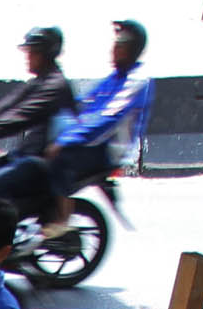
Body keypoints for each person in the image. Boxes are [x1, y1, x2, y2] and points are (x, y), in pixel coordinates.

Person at [0, 27, 78, 217]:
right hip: (27, 154)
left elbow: (22, 116)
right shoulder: (38, 82)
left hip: (43, 160)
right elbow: (6, 106)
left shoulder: (55, 86)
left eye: (33, 52)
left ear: (46, 54)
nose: (28, 57)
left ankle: (5, 236)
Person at [39, 19, 152, 202]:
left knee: (59, 159)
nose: (113, 50)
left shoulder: (136, 81)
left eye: (120, 45)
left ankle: (58, 220)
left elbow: (108, 118)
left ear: (132, 49)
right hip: (93, 140)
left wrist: (67, 140)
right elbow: (84, 102)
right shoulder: (115, 77)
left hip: (107, 148)